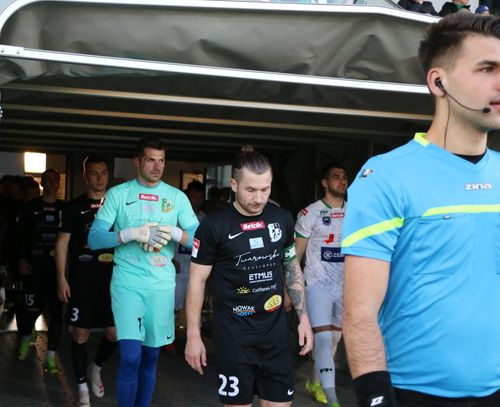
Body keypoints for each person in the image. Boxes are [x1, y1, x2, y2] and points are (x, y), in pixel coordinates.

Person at [342, 13, 500, 407]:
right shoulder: (385, 176)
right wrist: (376, 399)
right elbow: (360, 313)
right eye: (487, 69)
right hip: (413, 393)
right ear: (438, 82)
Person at [185, 145, 313, 407]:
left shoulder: (282, 219)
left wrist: (303, 318)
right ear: (234, 185)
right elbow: (196, 280)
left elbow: (291, 266)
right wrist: (193, 335)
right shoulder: (213, 226)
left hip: (275, 338)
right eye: (251, 190)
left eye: (265, 189)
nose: (259, 198)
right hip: (233, 339)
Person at [88, 137, 199, 407]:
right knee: (130, 357)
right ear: (137, 161)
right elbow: (94, 239)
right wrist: (130, 234)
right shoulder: (118, 194)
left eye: (162, 161)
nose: (157, 166)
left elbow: (200, 240)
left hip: (161, 286)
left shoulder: (176, 197)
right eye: (151, 160)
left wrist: (174, 232)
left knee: (150, 358)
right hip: (127, 285)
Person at [56, 155, 117, 407]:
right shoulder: (73, 207)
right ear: (85, 176)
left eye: (103, 172)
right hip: (81, 281)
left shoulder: (117, 205)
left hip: (113, 282)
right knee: (80, 334)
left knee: (115, 334)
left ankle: (96, 367)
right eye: (94, 173)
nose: (99, 178)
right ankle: (81, 389)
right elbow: (62, 243)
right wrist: (61, 279)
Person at [295, 163, 348, 407]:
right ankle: (331, 394)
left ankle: (316, 382)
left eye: (344, 177)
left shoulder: (356, 212)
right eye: (336, 177)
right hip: (317, 284)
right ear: (325, 183)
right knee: (324, 339)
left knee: (334, 339)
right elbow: (296, 254)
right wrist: (291, 288)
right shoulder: (310, 213)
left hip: (345, 286)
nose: (342, 181)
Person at [15, 169, 65, 374]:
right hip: (34, 269)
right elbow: (18, 236)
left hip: (57, 272)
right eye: (49, 180)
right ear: (42, 183)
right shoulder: (30, 207)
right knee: (31, 311)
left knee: (57, 315)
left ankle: (50, 357)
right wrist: (21, 259)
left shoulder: (65, 208)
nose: (53, 184)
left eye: (56, 180)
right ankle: (26, 337)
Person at [165, 180, 207, 354]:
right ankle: (168, 337)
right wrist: (170, 260)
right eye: (193, 196)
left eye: (200, 197)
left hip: (197, 266)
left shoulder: (204, 218)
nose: (196, 200)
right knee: (173, 304)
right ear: (187, 196)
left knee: (196, 302)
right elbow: (166, 239)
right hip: (178, 265)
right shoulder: (175, 216)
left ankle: (195, 337)